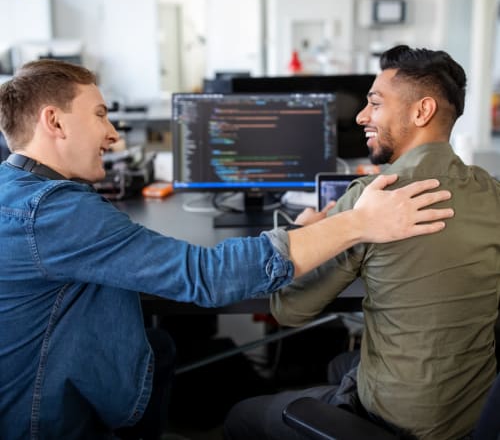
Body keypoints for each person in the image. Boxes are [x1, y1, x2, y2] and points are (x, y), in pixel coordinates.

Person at [0, 59, 454, 440]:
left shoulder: (17, 190)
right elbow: (206, 276)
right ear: (54, 121)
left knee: (158, 346)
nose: (114, 133)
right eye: (100, 114)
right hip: (36, 417)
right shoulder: (55, 213)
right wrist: (358, 222)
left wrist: (301, 232)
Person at [223, 45, 500, 440]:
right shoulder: (493, 193)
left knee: (242, 417)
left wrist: (306, 232)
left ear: (421, 112)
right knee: (344, 363)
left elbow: (290, 308)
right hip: (474, 415)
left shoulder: (374, 196)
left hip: (398, 422)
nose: (360, 116)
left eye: (375, 103)